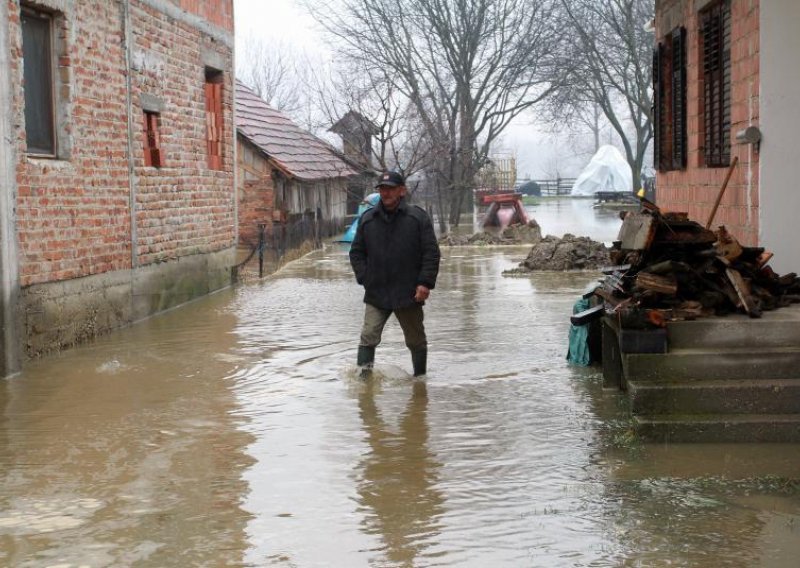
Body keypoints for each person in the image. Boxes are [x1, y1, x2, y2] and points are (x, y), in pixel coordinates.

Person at [349, 170, 441, 377]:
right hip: (377, 292)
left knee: (415, 340)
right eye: (382, 189)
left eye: (390, 189)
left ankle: (420, 381)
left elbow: (431, 253)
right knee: (368, 336)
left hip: (409, 292)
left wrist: (425, 283)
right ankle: (364, 385)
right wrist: (365, 278)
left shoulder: (417, 218)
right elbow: (356, 252)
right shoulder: (368, 219)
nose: (386, 193)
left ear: (402, 191)